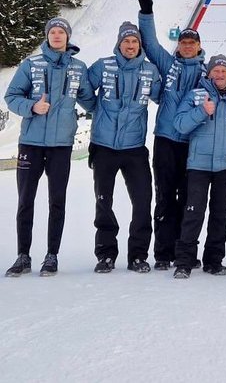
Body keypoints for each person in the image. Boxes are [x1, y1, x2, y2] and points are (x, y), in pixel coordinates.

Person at [4, 17, 96, 277]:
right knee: (25, 200)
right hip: (31, 144)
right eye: (52, 31)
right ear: (47, 36)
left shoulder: (78, 68)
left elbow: (90, 101)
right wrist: (32, 107)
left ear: (68, 37)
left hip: (60, 146)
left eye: (61, 32)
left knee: (57, 200)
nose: (57, 36)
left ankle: (51, 255)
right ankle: (23, 255)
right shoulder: (31, 64)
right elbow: (11, 96)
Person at [136, 0, 206, 271]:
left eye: (192, 43)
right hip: (166, 139)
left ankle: (185, 249)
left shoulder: (207, 71)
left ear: (199, 46)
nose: (187, 46)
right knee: (165, 194)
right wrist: (146, 13)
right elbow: (150, 44)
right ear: (179, 46)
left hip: (193, 142)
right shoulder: (169, 65)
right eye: (184, 43)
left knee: (189, 198)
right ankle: (164, 252)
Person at [172, 55, 226, 278]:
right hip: (198, 165)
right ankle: (184, 261)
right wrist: (201, 111)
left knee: (220, 214)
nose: (219, 75)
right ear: (208, 73)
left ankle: (213, 260)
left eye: (223, 72)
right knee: (193, 213)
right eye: (216, 71)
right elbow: (179, 124)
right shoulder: (196, 96)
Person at [88, 22, 161, 273]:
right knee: (103, 201)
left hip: (134, 148)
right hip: (104, 147)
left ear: (140, 45)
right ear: (119, 43)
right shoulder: (103, 65)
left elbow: (162, 97)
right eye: (126, 42)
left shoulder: (149, 71)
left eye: (134, 42)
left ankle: (138, 255)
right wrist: (95, 111)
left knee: (142, 201)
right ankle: (106, 254)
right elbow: (85, 90)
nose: (130, 46)